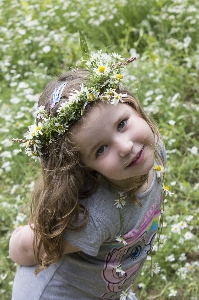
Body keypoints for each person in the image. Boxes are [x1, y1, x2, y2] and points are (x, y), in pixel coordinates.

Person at [9, 50, 167, 300]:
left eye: (122, 124)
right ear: (83, 166)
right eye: (101, 149)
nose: (126, 147)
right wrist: (28, 235)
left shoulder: (153, 152)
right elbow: (23, 248)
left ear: (131, 105)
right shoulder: (93, 215)